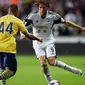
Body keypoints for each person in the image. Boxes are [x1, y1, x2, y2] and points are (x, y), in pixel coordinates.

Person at [20, 0, 84, 85]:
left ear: (47, 8)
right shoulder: (32, 16)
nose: (42, 10)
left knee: (52, 62)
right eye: (40, 8)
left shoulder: (53, 16)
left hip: (48, 41)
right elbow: (22, 26)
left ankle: (72, 69)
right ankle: (50, 82)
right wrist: (22, 34)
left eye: (44, 8)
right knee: (43, 63)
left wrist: (81, 28)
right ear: (38, 8)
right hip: (37, 42)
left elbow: (67, 23)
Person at [0, 4, 42, 85]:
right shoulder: (17, 21)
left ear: (8, 11)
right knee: (12, 71)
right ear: (16, 11)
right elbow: (28, 35)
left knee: (2, 67)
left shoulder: (0, 19)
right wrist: (38, 38)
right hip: (8, 48)